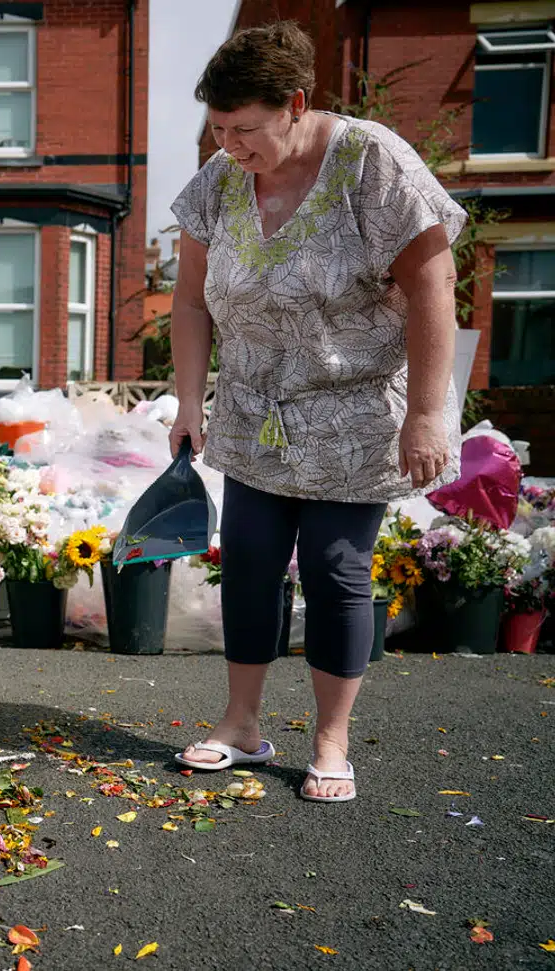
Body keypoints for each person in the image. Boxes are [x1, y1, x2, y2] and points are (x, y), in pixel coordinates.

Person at [167, 22, 466, 802]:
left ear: (295, 104)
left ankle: (331, 741)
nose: (229, 145)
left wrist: (428, 413)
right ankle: (241, 722)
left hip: (356, 410)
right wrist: (189, 399)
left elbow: (435, 284)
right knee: (253, 562)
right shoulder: (222, 179)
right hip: (254, 407)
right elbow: (192, 302)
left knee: (335, 570)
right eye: (218, 128)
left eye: (244, 129)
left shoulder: (372, 162)